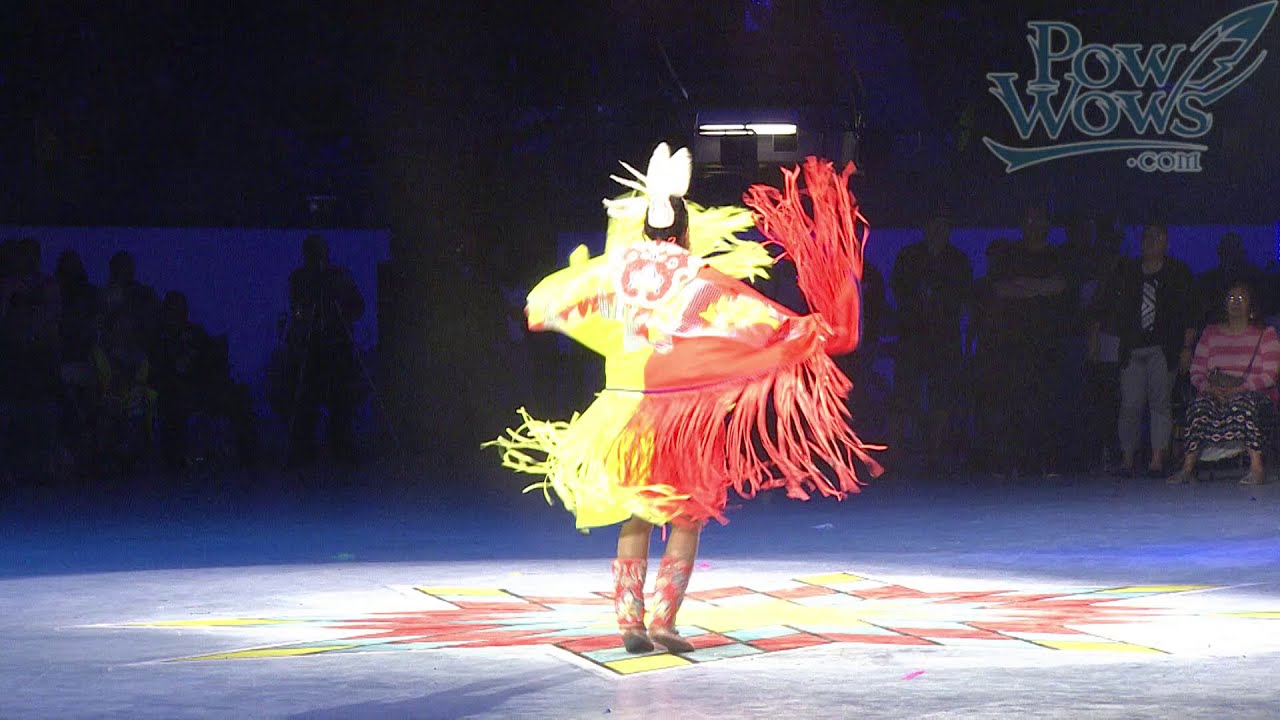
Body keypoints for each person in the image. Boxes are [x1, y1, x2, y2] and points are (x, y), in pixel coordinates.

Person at [488, 145, 882, 654]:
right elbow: (757, 319)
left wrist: (546, 310)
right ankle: (663, 622)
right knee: (686, 516)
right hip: (680, 416)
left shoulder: (615, 271)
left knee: (636, 514)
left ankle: (630, 621)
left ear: (647, 232)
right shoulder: (700, 279)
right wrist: (814, 328)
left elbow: (551, 301)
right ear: (685, 233)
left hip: (626, 411)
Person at [1169, 282, 1280, 486]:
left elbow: (1271, 375)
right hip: (1215, 393)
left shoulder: (1266, 334)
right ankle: (1187, 469)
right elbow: (1196, 372)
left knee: (1243, 406)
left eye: (1241, 299)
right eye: (1231, 299)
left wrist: (1239, 389)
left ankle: (1256, 469)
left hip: (1254, 395)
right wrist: (1209, 388)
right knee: (1199, 407)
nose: (1235, 303)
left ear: (1251, 306)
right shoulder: (1210, 334)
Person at [1109, 225, 1196, 477]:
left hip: (1163, 347)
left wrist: (1186, 348)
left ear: (1167, 243)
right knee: (1130, 403)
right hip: (1133, 346)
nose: (1151, 242)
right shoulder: (1128, 272)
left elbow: (1190, 312)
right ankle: (1127, 458)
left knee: (1160, 402)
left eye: (1158, 237)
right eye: (1147, 237)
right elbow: (1116, 308)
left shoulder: (1178, 273)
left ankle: (1157, 459)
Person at [889, 209, 972, 470]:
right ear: (926, 227)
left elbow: (964, 297)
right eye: (934, 224)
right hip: (912, 337)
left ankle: (936, 455)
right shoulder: (909, 257)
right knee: (903, 395)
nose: (939, 230)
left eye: (944, 225)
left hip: (945, 338)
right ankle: (895, 454)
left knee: (942, 397)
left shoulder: (957, 260)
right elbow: (899, 293)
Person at [283, 234, 364, 467]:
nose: (317, 257)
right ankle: (303, 452)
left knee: (340, 399)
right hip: (311, 347)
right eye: (312, 252)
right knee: (307, 400)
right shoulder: (299, 278)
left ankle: (342, 449)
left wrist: (340, 311)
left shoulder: (340, 276)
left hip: (338, 345)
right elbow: (297, 308)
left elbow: (358, 306)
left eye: (319, 251)